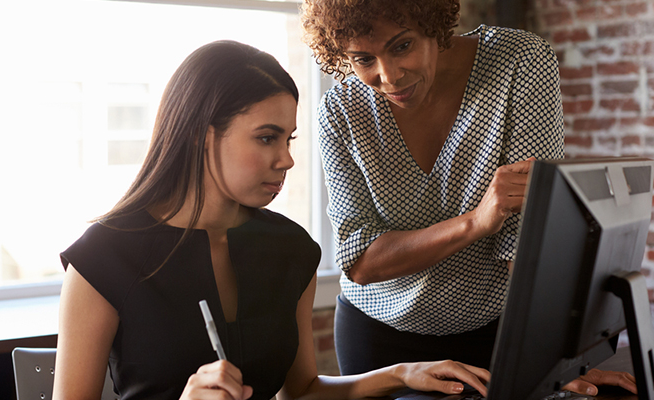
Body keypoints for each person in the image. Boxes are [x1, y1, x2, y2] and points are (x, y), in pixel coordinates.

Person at [53, 40, 493, 400]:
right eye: (266, 138)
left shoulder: (291, 249)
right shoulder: (102, 259)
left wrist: (401, 374)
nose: (286, 160)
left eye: (288, 139)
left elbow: (301, 391)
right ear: (199, 135)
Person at [300, 0, 637, 396]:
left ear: (433, 21)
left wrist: (555, 359)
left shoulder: (519, 62)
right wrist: (476, 221)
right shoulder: (340, 112)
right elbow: (359, 260)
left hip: (499, 332)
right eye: (363, 59)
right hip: (381, 340)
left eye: (402, 46)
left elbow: (524, 234)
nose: (388, 76)